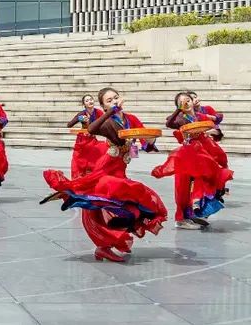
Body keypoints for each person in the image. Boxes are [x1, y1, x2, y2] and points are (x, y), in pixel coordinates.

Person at [42, 87, 167, 263]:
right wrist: (111, 111)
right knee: (102, 200)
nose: (114, 101)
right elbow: (92, 129)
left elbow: (145, 141)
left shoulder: (131, 119)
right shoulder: (107, 121)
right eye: (109, 100)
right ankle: (104, 246)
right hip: (106, 169)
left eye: (116, 97)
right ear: (103, 106)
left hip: (120, 170)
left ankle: (114, 238)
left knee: (136, 203)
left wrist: (150, 140)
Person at [151, 92, 233, 229]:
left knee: (208, 178)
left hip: (202, 153)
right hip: (188, 154)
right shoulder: (181, 118)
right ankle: (181, 219)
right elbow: (169, 123)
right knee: (183, 185)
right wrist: (179, 110)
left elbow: (217, 127)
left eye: (188, 100)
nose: (186, 103)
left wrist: (210, 129)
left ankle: (194, 211)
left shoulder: (200, 116)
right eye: (182, 102)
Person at [68, 93, 106, 178]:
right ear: (84, 104)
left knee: (96, 155)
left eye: (91, 99)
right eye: (87, 100)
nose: (90, 101)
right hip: (82, 140)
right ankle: (79, 177)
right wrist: (79, 119)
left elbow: (105, 123)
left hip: (92, 139)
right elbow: (69, 125)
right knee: (80, 160)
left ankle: (91, 176)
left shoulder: (98, 112)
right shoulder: (82, 114)